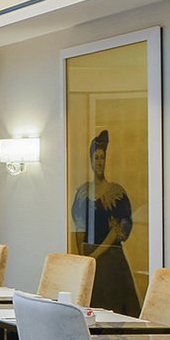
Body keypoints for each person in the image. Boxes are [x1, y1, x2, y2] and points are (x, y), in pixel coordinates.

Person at [69, 130, 140, 315]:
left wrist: (94, 255)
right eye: (96, 158)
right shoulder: (83, 193)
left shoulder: (117, 193)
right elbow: (79, 225)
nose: (99, 162)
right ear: (91, 161)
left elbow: (117, 230)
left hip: (111, 261)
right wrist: (82, 256)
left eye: (102, 157)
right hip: (88, 258)